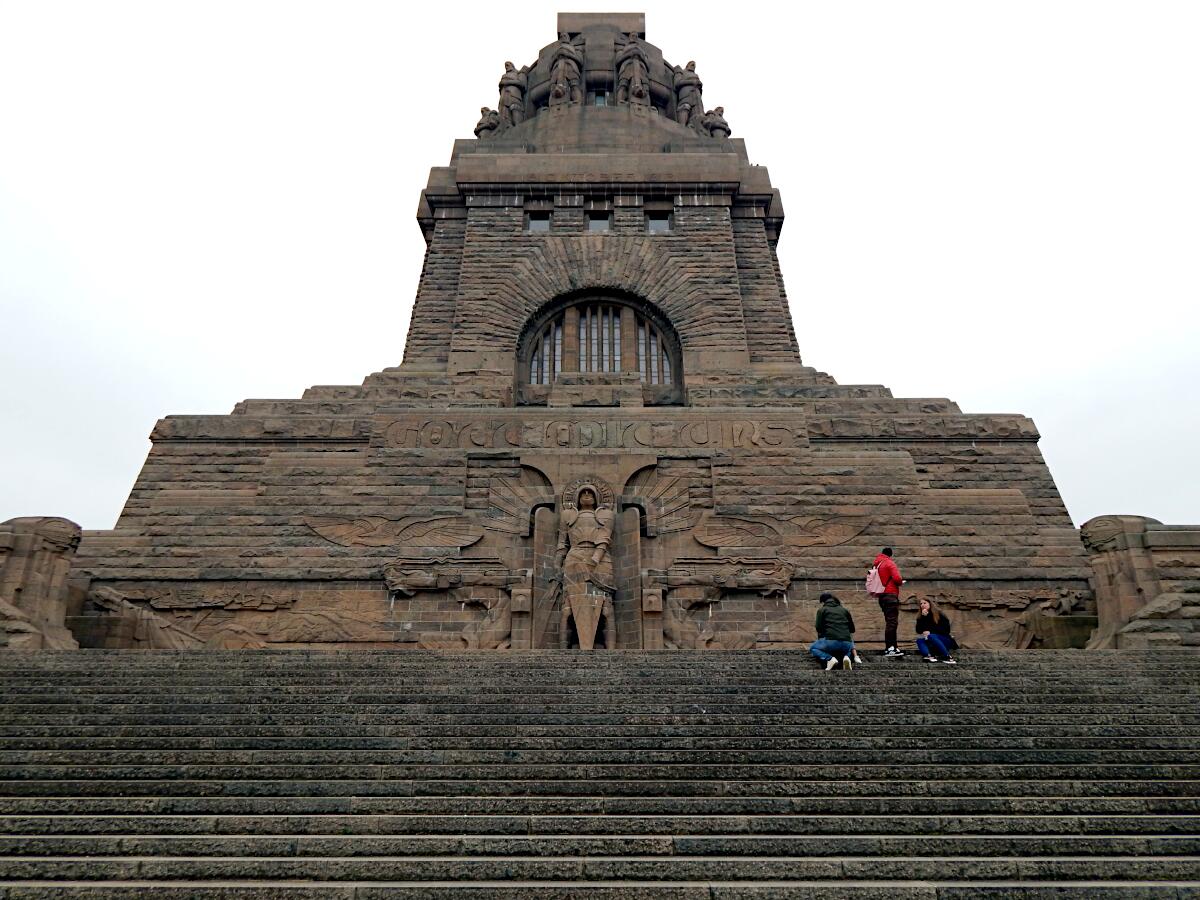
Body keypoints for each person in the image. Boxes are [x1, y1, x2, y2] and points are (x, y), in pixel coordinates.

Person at [810, 592, 856, 671]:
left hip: (831, 641)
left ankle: (830, 659)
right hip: (847, 643)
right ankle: (847, 657)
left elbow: (818, 628)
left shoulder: (822, 610)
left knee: (813, 648)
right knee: (847, 647)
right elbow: (852, 629)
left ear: (823, 601)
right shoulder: (845, 610)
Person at [873, 547, 905, 657]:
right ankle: (891, 648)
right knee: (892, 622)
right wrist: (901, 582)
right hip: (890, 595)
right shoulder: (889, 563)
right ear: (890, 554)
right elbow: (897, 578)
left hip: (882, 596)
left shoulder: (877, 564)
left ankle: (892, 648)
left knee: (889, 622)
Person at [915, 597, 958, 664]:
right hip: (931, 642)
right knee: (919, 640)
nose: (922, 605)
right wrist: (923, 618)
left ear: (930, 604)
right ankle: (928, 655)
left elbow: (946, 630)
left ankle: (947, 657)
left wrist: (930, 632)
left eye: (924, 603)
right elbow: (918, 630)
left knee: (931, 636)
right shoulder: (921, 616)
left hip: (944, 640)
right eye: (921, 604)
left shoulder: (939, 614)